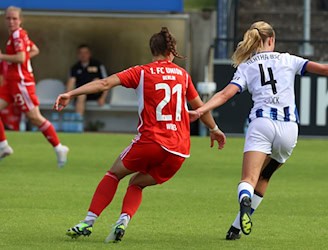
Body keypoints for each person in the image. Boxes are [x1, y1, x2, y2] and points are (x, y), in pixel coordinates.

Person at [189, 21, 328, 239]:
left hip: (262, 124)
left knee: (248, 179)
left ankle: (244, 199)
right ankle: (235, 229)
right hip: (289, 128)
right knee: (265, 176)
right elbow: (326, 69)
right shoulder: (288, 59)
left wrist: (201, 111)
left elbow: (226, 94)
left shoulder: (247, 66)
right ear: (271, 40)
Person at [56, 27, 227, 243]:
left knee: (114, 174)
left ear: (152, 50)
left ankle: (87, 222)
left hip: (151, 141)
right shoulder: (183, 75)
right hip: (179, 151)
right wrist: (214, 129)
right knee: (137, 183)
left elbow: (104, 83)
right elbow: (200, 107)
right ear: (171, 51)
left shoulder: (142, 71)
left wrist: (70, 93)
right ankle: (123, 221)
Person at [0, 6, 69, 166]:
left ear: (20, 20)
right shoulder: (19, 35)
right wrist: (18, 61)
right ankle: (3, 146)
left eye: (14, 18)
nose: (11, 21)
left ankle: (59, 147)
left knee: (35, 117)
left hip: (21, 82)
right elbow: (34, 50)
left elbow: (21, 57)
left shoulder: (17, 35)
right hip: (12, 82)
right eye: (8, 18)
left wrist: (3, 57)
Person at [66, 44, 108, 117]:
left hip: (95, 93)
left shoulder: (97, 65)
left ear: (89, 54)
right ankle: (79, 122)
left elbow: (106, 82)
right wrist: (68, 96)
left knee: (96, 80)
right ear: (78, 55)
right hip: (82, 92)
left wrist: (103, 98)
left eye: (85, 53)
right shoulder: (75, 67)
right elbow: (71, 83)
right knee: (81, 95)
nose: (83, 55)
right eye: (81, 53)